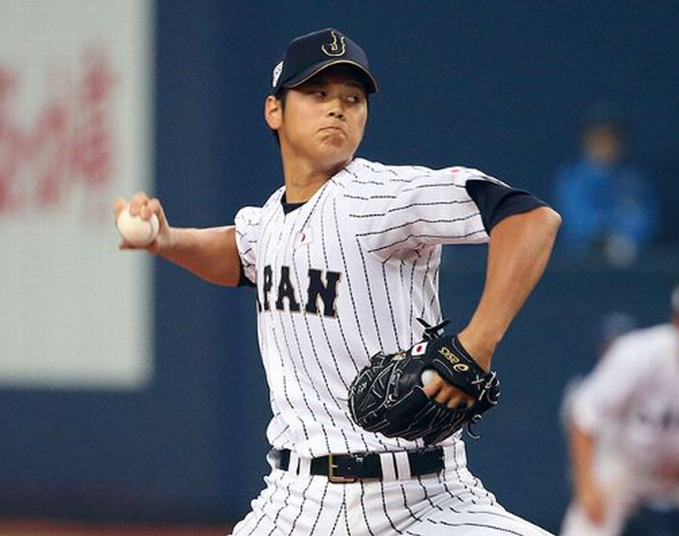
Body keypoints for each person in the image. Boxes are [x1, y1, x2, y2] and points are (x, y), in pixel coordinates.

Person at [115, 28, 561, 535]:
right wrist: (166, 240)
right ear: (274, 111)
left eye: (352, 98)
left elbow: (531, 219)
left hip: (425, 500)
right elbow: (238, 251)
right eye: (317, 94)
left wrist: (478, 343)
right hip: (292, 502)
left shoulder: (382, 195)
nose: (337, 109)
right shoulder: (272, 219)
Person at [560, 285, 679, 536]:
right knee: (586, 524)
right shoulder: (639, 352)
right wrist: (587, 486)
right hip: (628, 461)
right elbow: (584, 415)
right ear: (675, 320)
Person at [552, 103, 658, 267]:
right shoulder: (573, 178)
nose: (606, 144)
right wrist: (605, 238)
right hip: (582, 266)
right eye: (599, 138)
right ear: (588, 140)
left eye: (612, 138)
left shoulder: (633, 179)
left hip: (631, 263)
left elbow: (644, 219)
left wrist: (625, 239)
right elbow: (576, 220)